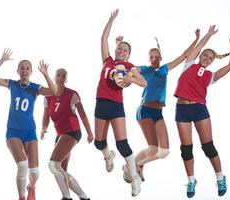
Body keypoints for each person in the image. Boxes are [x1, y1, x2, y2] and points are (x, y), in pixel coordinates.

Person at [121, 30, 200, 182]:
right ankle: (130, 167)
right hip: (144, 110)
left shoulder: (164, 69)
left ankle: (136, 165)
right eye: (151, 56)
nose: (153, 59)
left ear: (160, 58)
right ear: (148, 58)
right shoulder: (144, 69)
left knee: (163, 151)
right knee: (152, 148)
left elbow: (184, 56)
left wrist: (196, 39)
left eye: (156, 56)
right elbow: (127, 68)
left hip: (158, 112)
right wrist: (127, 76)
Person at [174, 25, 230, 198]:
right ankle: (191, 180)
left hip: (199, 109)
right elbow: (199, 47)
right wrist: (208, 34)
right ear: (200, 56)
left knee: (208, 146)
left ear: (212, 61)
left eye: (210, 58)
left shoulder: (211, 76)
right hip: (181, 110)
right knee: (186, 149)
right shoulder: (189, 65)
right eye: (205, 55)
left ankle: (220, 177)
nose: (207, 58)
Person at [0, 49, 56, 200]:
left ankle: (31, 187)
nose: (24, 70)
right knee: (22, 165)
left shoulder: (35, 88)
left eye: (27, 68)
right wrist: (2, 60)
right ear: (18, 71)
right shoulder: (12, 84)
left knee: (35, 172)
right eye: (22, 68)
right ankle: (22, 197)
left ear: (31, 71)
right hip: (13, 132)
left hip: (30, 132)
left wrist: (45, 74)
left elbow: (54, 91)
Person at [94, 9, 146, 197]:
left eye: (125, 50)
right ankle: (108, 156)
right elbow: (103, 38)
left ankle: (134, 177)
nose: (122, 51)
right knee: (99, 143)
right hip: (101, 103)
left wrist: (131, 79)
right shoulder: (107, 60)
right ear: (116, 51)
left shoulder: (130, 68)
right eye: (120, 49)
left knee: (122, 143)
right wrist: (111, 19)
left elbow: (144, 82)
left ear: (128, 54)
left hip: (116, 105)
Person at [41, 68, 94, 200]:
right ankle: (84, 197)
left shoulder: (72, 94)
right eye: (58, 75)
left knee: (53, 163)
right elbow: (46, 116)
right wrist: (43, 128)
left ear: (66, 80)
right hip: (60, 134)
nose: (60, 77)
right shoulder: (48, 97)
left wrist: (90, 133)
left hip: (72, 132)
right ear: (54, 78)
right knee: (61, 170)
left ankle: (66, 197)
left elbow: (83, 115)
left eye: (63, 76)